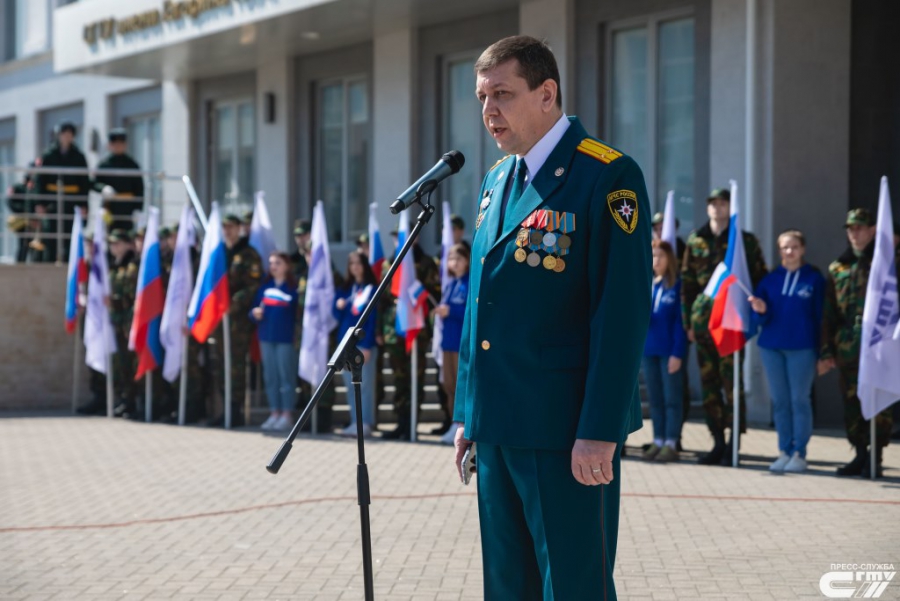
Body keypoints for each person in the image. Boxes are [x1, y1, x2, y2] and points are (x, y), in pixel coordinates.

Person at [452, 36, 651, 600]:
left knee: (573, 587)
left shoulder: (607, 175)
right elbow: (480, 306)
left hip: (564, 432)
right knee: (507, 588)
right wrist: (468, 412)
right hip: (497, 426)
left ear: (546, 94)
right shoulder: (498, 179)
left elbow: (622, 315)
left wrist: (599, 431)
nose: (489, 110)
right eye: (482, 97)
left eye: (502, 94)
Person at [682, 187, 768, 465]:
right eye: (713, 203)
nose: (717, 208)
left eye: (722, 203)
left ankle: (734, 443)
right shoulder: (696, 239)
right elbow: (687, 283)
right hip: (704, 322)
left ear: (729, 207)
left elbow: (759, 277)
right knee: (709, 385)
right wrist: (688, 322)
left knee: (732, 385)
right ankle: (717, 440)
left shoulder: (743, 241)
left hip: (731, 322)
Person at [820, 209, 893, 478]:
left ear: (872, 230)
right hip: (849, 347)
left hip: (881, 346)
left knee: (880, 403)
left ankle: (876, 456)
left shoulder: (887, 263)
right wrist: (827, 350)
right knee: (852, 402)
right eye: (851, 229)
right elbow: (829, 313)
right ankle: (860, 453)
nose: (854, 233)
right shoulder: (838, 267)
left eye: (860, 228)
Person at [749, 230, 825, 473]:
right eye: (784, 247)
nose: (789, 251)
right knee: (780, 401)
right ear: (779, 250)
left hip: (802, 348)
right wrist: (761, 310)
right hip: (772, 347)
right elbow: (758, 318)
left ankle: (799, 453)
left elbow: (822, 317)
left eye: (794, 247)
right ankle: (784, 451)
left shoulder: (814, 279)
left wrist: (824, 352)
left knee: (799, 400)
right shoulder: (769, 280)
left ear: (803, 249)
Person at [209, 214, 262, 427]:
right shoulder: (219, 252)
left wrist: (234, 303)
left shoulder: (248, 254)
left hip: (238, 320)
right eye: (225, 227)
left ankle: (236, 409)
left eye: (231, 227)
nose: (227, 231)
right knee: (221, 363)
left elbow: (253, 285)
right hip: (220, 318)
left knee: (236, 364)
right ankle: (225, 408)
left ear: (240, 228)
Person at [641, 240, 687, 462]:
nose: (656, 260)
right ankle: (658, 439)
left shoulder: (677, 286)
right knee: (655, 399)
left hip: (669, 352)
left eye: (660, 256)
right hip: (648, 351)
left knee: (672, 399)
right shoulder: (648, 284)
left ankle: (671, 441)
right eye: (653, 255)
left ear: (670, 259)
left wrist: (678, 353)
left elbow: (680, 322)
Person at [250, 252, 299, 432]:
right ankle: (274, 412)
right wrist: (254, 313)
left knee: (286, 377)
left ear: (286, 266)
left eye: (277, 263)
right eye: (271, 263)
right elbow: (253, 309)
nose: (273, 266)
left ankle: (287, 414)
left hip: (285, 339)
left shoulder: (294, 287)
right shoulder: (265, 287)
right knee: (270, 377)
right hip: (266, 338)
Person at [333, 251, 379, 437]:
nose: (355, 267)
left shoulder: (372, 289)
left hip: (363, 344)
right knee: (350, 385)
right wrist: (337, 305)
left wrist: (367, 344)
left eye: (358, 263)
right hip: (345, 344)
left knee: (364, 386)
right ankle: (355, 422)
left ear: (365, 265)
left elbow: (373, 319)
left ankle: (366, 422)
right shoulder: (345, 289)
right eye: (351, 263)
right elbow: (336, 316)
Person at [36, 122, 89, 262]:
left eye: (69, 134)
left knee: (70, 235)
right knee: (51, 235)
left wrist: (84, 204)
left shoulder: (79, 156)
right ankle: (49, 263)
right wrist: (40, 202)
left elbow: (84, 182)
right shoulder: (48, 154)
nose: (66, 137)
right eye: (63, 134)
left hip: (72, 200)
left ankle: (68, 264)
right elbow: (40, 179)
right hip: (52, 200)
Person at [434, 243, 470, 445]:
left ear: (467, 260)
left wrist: (451, 311)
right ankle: (453, 424)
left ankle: (461, 425)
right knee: (448, 386)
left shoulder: (469, 282)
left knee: (459, 386)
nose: (454, 263)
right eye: (450, 259)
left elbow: (471, 312)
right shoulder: (450, 285)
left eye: (458, 259)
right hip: (447, 342)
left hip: (460, 343)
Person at [108, 228, 139, 418]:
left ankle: (132, 401)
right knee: (119, 363)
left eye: (117, 243)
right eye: (111, 243)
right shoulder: (114, 266)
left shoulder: (132, 266)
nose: (114, 247)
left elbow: (133, 296)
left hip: (127, 319)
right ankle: (124, 399)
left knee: (129, 362)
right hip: (116, 319)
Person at [92, 129, 144, 232]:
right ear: (109, 145)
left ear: (125, 145)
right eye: (115, 143)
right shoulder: (104, 164)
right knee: (108, 234)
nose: (118, 146)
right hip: (109, 206)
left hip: (127, 207)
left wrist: (138, 208)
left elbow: (139, 188)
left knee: (127, 235)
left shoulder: (132, 165)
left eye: (121, 143)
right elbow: (94, 183)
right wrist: (103, 188)